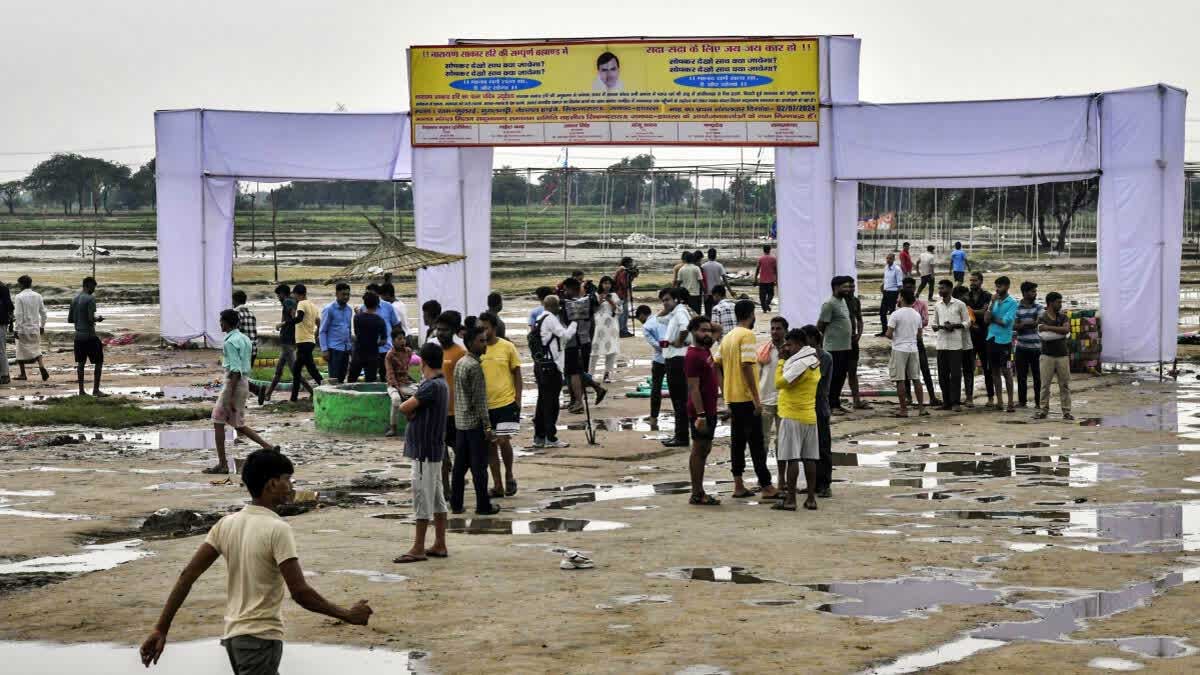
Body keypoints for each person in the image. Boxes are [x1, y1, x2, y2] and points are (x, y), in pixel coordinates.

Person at [140, 448, 372, 672]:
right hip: (260, 640)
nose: (291, 487)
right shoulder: (277, 529)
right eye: (287, 480)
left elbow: (186, 577)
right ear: (272, 484)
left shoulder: (226, 524)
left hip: (234, 638)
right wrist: (346, 615)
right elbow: (300, 593)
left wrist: (161, 628)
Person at [393, 342, 451, 564]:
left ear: (423, 363)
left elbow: (404, 407)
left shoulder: (430, 386)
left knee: (422, 497)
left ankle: (418, 547)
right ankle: (439, 542)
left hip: (424, 451)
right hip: (434, 449)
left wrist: (411, 408)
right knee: (436, 498)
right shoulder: (442, 384)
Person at [716, 299, 779, 500]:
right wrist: (756, 399)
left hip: (732, 398)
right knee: (756, 443)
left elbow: (714, 363)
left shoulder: (728, 337)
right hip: (746, 398)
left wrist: (724, 388)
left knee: (738, 442)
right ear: (751, 314)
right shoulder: (747, 335)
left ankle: (738, 484)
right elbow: (746, 366)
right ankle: (767, 485)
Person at [206, 310, 280, 475]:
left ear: (226, 323)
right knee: (238, 423)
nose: (220, 324)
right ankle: (268, 447)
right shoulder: (244, 338)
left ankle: (223, 464)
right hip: (243, 384)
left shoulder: (230, 342)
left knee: (218, 421)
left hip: (233, 384)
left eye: (221, 321)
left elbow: (235, 370)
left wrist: (229, 396)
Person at [450, 322, 500, 516]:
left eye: (485, 340)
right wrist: (487, 426)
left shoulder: (461, 363)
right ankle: (483, 505)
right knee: (479, 467)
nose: (485, 344)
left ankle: (456, 504)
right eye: (481, 341)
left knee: (460, 467)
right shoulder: (474, 367)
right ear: (470, 343)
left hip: (461, 423)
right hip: (474, 425)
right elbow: (479, 400)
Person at [773, 327, 823, 511]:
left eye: (789, 344)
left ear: (799, 344)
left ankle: (791, 500)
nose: (787, 348)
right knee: (810, 458)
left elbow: (779, 383)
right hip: (809, 415)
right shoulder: (814, 360)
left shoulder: (799, 363)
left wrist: (780, 363)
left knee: (791, 458)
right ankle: (811, 499)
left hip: (792, 415)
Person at [479, 312, 521, 497]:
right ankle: (497, 485)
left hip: (506, 403)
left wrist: (517, 399)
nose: (483, 332)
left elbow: (517, 374)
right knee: (489, 446)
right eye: (481, 328)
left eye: (486, 328)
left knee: (503, 440)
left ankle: (509, 474)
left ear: (494, 328)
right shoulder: (477, 350)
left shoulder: (508, 347)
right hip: (485, 406)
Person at [684, 316, 720, 506]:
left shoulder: (705, 348)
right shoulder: (692, 356)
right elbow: (693, 388)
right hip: (701, 412)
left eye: (708, 330)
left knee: (705, 449)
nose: (707, 333)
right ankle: (697, 492)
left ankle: (698, 491)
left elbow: (719, 329)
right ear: (693, 332)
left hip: (710, 408)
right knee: (699, 450)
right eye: (702, 331)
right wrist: (701, 415)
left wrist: (705, 325)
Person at [533, 295, 575, 449]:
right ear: (554, 306)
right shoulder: (550, 319)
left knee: (542, 402)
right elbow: (565, 336)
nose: (560, 308)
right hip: (552, 367)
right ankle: (551, 437)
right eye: (558, 306)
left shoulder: (540, 317)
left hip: (541, 365)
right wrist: (574, 322)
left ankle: (539, 437)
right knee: (551, 404)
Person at [561, 277, 607, 414]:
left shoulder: (566, 303)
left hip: (574, 343)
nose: (564, 291)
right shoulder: (589, 301)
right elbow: (594, 297)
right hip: (584, 340)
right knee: (573, 372)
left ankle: (579, 402)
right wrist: (583, 286)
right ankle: (579, 398)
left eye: (565, 289)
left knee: (574, 373)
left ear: (570, 289)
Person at [435, 312, 467, 495]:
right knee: (442, 457)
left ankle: (457, 484)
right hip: (439, 413)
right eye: (438, 329)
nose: (440, 333)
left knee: (463, 456)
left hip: (456, 413)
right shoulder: (434, 351)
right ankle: (446, 492)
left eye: (445, 330)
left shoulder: (460, 353)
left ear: (454, 331)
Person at [802, 324, 835, 499]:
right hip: (806, 406)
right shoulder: (806, 356)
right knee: (808, 448)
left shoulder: (825, 357)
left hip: (819, 406)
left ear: (814, 339)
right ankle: (813, 484)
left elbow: (815, 381)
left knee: (822, 447)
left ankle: (825, 484)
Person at [901, 276, 942, 408]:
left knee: (925, 369)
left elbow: (925, 321)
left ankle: (932, 397)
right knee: (906, 372)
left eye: (910, 287)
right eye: (906, 287)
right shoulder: (899, 304)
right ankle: (908, 397)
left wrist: (911, 319)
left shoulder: (921, 304)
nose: (909, 290)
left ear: (914, 288)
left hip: (917, 340)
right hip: (904, 341)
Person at [261, 284, 304, 403]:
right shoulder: (291, 301)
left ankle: (311, 391)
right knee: (279, 370)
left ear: (282, 294)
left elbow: (292, 318)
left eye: (278, 295)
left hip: (288, 341)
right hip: (286, 341)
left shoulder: (287, 302)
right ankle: (268, 394)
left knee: (295, 371)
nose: (278, 297)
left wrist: (282, 324)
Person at [888, 290, 928, 417]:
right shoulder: (916, 314)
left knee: (900, 379)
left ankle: (903, 410)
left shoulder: (895, 314)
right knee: (916, 379)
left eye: (899, 296)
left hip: (899, 348)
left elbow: (889, 333)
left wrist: (895, 337)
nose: (898, 299)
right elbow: (919, 335)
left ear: (902, 298)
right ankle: (921, 408)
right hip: (913, 348)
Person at [662, 287, 694, 448]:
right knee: (678, 400)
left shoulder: (680, 312)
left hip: (677, 359)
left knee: (679, 400)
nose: (665, 303)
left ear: (676, 299)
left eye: (667, 299)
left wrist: (680, 341)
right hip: (674, 358)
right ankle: (679, 434)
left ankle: (681, 437)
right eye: (663, 300)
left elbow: (685, 327)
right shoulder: (676, 312)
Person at [932, 279, 970, 411]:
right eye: (939, 288)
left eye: (942, 288)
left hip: (955, 345)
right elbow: (934, 323)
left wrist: (954, 326)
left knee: (955, 375)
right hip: (941, 344)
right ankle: (946, 402)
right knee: (942, 375)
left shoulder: (960, 304)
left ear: (950, 289)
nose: (940, 290)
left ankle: (956, 403)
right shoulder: (937, 305)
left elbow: (967, 323)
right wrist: (939, 327)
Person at [818, 276, 853, 416]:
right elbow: (821, 325)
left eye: (848, 287)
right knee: (833, 377)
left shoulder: (843, 301)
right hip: (833, 348)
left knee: (841, 376)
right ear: (835, 287)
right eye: (844, 287)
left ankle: (836, 402)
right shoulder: (829, 304)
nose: (848, 289)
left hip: (845, 347)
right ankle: (831, 405)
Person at [1036, 291, 1074, 421]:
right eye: (1059, 302)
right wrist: (1060, 332)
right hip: (1047, 355)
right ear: (1051, 303)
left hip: (1062, 355)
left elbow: (1066, 330)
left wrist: (1048, 328)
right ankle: (1043, 410)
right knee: (1045, 385)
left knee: (1064, 385)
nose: (1061, 304)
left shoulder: (1063, 317)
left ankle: (1066, 411)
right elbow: (1043, 335)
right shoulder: (1042, 317)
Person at [984, 276, 1019, 413]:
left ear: (1007, 286)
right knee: (994, 372)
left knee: (1006, 371)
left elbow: (1005, 322)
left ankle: (1010, 401)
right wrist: (991, 305)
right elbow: (987, 320)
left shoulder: (1012, 302)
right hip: (991, 338)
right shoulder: (994, 301)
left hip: (1004, 341)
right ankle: (999, 401)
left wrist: (993, 317)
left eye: (1001, 286)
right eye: (997, 286)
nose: (998, 289)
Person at [760, 316, 787, 486]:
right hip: (765, 401)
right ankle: (764, 480)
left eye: (778, 328)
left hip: (784, 402)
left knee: (782, 443)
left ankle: (782, 480)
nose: (775, 332)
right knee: (762, 442)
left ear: (785, 330)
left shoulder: (790, 351)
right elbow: (757, 376)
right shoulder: (764, 350)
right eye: (773, 328)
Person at [67, 276, 106, 397]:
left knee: (81, 363)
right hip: (89, 335)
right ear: (88, 285)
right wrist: (98, 319)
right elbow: (90, 319)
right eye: (94, 287)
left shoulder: (74, 299)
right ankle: (96, 390)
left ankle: (81, 391)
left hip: (78, 336)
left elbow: (70, 319)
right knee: (99, 362)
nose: (94, 289)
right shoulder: (90, 299)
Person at [12, 275, 49, 382]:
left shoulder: (19, 297)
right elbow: (43, 313)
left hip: (23, 329)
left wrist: (16, 329)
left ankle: (23, 374)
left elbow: (18, 315)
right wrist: (42, 326)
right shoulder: (38, 296)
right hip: (35, 328)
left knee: (20, 351)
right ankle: (41, 366)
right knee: (37, 349)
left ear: (22, 284)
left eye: (19, 284)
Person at [965, 272, 994, 407]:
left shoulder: (988, 296)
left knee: (987, 368)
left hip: (985, 336)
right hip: (969, 337)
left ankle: (990, 397)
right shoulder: (965, 297)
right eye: (971, 281)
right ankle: (969, 398)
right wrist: (976, 312)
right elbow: (965, 314)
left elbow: (985, 313)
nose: (972, 283)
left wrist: (971, 311)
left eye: (975, 281)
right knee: (969, 368)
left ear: (981, 281)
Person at [290, 284, 322, 402]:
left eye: (294, 294)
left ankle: (328, 389)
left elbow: (299, 318)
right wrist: (316, 334)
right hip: (309, 341)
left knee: (307, 370)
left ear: (299, 294)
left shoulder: (301, 303)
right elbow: (319, 322)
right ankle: (293, 398)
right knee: (301, 370)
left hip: (303, 342)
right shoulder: (313, 306)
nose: (294, 297)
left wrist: (284, 323)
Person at [1014, 281, 1043, 409]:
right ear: (1025, 293)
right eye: (1032, 291)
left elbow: (1039, 321)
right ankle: (1022, 402)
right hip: (1021, 347)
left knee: (1038, 377)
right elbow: (1014, 326)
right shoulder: (1016, 307)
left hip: (1036, 347)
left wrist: (1022, 325)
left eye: (1035, 291)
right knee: (1021, 376)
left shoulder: (1038, 307)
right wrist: (1029, 324)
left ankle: (1038, 402)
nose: (1035, 294)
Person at [318, 283, 353, 387]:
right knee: (334, 380)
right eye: (343, 294)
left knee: (342, 378)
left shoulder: (349, 310)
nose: (346, 297)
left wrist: (350, 346)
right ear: (337, 294)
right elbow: (322, 331)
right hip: (334, 349)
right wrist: (324, 350)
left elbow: (348, 329)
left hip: (346, 349)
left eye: (348, 294)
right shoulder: (329, 309)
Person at [348, 291, 387, 383]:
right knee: (371, 381)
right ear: (377, 304)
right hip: (372, 354)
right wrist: (375, 343)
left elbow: (357, 333)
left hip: (358, 353)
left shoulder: (357, 318)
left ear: (364, 303)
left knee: (352, 379)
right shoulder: (380, 320)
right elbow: (384, 341)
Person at [385, 325, 416, 437]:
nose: (402, 341)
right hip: (393, 384)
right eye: (399, 339)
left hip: (406, 383)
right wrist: (398, 390)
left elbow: (410, 369)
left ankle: (415, 423)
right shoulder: (390, 355)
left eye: (403, 338)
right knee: (396, 399)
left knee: (420, 394)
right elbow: (390, 374)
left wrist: (412, 380)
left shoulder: (408, 351)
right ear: (393, 341)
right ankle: (393, 427)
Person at [640, 300, 667, 428]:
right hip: (674, 357)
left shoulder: (646, 326)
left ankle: (654, 416)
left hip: (659, 359)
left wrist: (664, 348)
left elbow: (655, 345)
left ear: (642, 315)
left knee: (656, 388)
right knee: (679, 387)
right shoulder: (662, 317)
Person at [844, 277, 870, 410]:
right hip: (840, 342)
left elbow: (859, 319)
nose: (851, 289)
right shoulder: (838, 302)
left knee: (853, 371)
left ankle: (856, 400)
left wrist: (859, 334)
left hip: (853, 341)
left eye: (853, 287)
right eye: (848, 287)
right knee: (839, 373)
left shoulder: (855, 301)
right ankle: (834, 401)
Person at [589, 276, 620, 383]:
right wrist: (600, 300)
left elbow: (619, 310)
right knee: (594, 350)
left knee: (611, 351)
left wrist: (610, 301)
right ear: (601, 284)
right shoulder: (595, 295)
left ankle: (607, 374)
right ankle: (590, 375)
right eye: (605, 283)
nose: (607, 285)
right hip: (599, 325)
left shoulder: (615, 295)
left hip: (612, 326)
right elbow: (592, 310)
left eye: (609, 283)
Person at [952, 285, 977, 407]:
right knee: (957, 372)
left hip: (966, 344)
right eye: (965, 295)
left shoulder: (967, 308)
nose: (968, 297)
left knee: (967, 372)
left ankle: (969, 397)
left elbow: (971, 322)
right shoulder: (953, 308)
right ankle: (956, 397)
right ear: (958, 296)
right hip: (954, 345)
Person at [877, 252, 903, 336]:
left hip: (893, 293)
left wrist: (899, 297)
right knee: (882, 312)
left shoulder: (897, 269)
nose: (888, 260)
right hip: (886, 292)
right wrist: (882, 287)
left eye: (890, 258)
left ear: (893, 259)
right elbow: (885, 280)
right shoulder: (886, 268)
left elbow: (899, 284)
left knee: (892, 313)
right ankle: (884, 331)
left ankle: (893, 331)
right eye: (887, 258)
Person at [232, 290, 259, 365]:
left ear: (234, 301)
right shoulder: (251, 314)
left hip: (240, 351)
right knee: (246, 374)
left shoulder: (235, 314)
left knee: (237, 374)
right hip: (252, 350)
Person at [701, 248, 728, 318]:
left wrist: (704, 292)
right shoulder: (719, 265)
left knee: (708, 313)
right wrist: (730, 291)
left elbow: (701, 280)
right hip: (717, 294)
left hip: (707, 293)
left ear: (708, 255)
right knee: (719, 313)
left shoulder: (703, 266)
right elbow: (725, 279)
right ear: (715, 255)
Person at [614, 257, 636, 338]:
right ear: (627, 263)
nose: (632, 265)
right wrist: (631, 277)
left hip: (622, 295)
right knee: (623, 314)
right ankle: (622, 330)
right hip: (621, 295)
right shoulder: (623, 272)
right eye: (631, 263)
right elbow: (624, 284)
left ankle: (624, 330)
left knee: (624, 313)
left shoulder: (623, 271)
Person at [753, 244, 778, 313]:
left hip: (762, 281)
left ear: (763, 250)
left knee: (762, 296)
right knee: (771, 294)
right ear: (770, 250)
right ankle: (767, 304)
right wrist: (776, 280)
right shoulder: (773, 259)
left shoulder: (761, 259)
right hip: (771, 280)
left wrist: (755, 279)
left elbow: (757, 269)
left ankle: (764, 308)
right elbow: (776, 270)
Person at [0, 278, 12, 385]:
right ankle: (4, 375)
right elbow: (9, 305)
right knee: (2, 349)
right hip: (2, 321)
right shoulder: (3, 288)